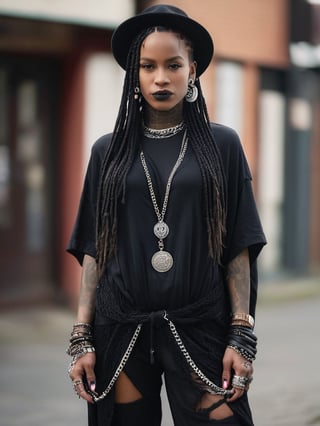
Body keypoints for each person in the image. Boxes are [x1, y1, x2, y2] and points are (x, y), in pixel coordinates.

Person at [66, 4, 266, 426]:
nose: (160, 77)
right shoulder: (109, 152)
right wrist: (82, 336)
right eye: (148, 66)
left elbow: (239, 247)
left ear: (192, 69)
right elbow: (94, 248)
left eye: (173, 64)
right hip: (122, 327)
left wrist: (241, 333)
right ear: (134, 75)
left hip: (199, 325)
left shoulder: (222, 146)